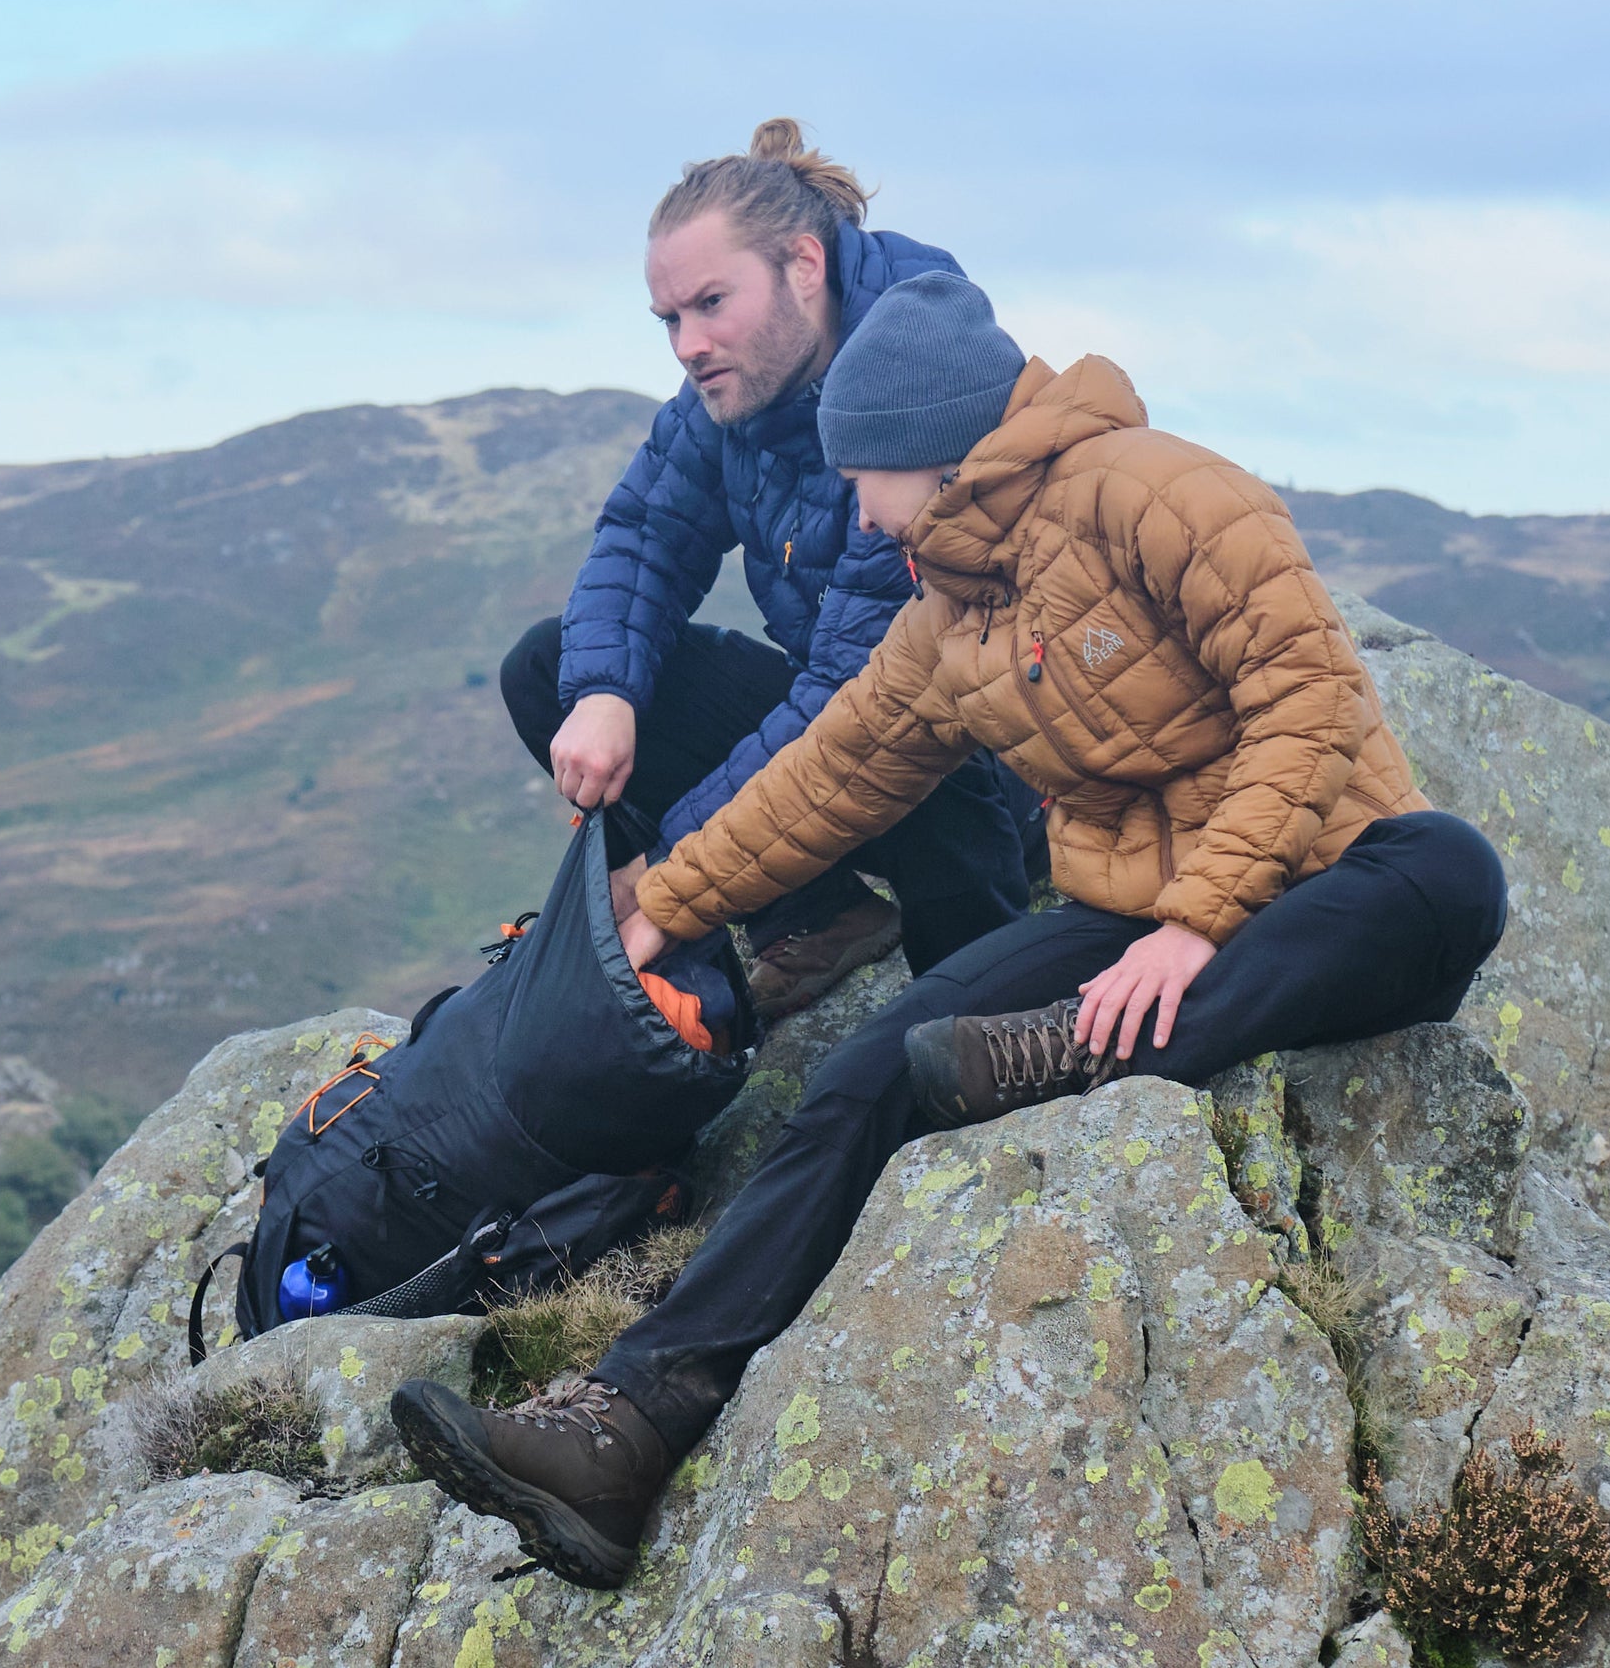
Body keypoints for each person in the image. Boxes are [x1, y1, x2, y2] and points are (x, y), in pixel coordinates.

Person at [395, 273, 1510, 1591]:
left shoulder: (1161, 489)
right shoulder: (951, 612)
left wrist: (1200, 922)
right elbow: (828, 779)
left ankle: (1098, 1047)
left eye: (870, 476)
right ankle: (624, 1422)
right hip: (1123, 920)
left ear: (945, 449)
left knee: (1452, 863)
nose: (861, 508)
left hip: (1332, 886)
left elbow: (1310, 697)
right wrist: (662, 912)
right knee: (880, 1062)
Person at [505, 121, 1041, 1016]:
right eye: (670, 317)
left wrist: (668, 870)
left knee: (931, 745)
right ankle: (820, 919)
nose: (686, 343)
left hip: (965, 757)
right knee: (546, 666)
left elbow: (857, 696)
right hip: (836, 731)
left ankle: (974, 994)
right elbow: (644, 536)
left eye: (711, 303)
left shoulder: (917, 388)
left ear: (803, 264)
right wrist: (605, 691)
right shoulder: (736, 387)